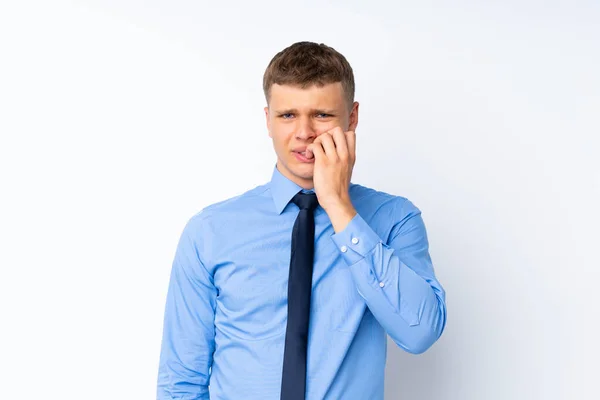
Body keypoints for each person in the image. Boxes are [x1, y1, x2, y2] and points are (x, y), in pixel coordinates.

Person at [156, 41, 447, 400]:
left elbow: (419, 332)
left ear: (352, 117)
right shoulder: (210, 231)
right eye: (287, 115)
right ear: (267, 120)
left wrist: (339, 206)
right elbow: (181, 381)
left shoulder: (394, 220)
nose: (304, 132)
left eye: (322, 115)